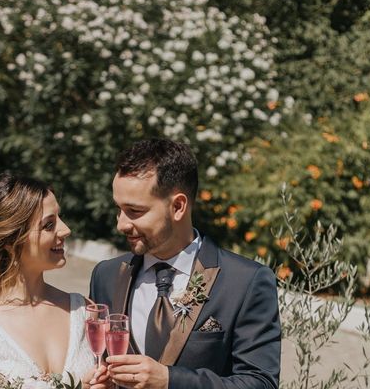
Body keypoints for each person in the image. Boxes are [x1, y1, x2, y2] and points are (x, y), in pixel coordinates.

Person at [89, 138, 281, 389]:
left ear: (178, 206)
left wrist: (170, 380)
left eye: (134, 211)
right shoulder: (106, 275)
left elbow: (261, 383)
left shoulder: (246, 282)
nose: (121, 224)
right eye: (119, 209)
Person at [0, 173, 108, 388]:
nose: (66, 230)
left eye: (59, 219)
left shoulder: (84, 311)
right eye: (49, 225)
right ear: (11, 240)